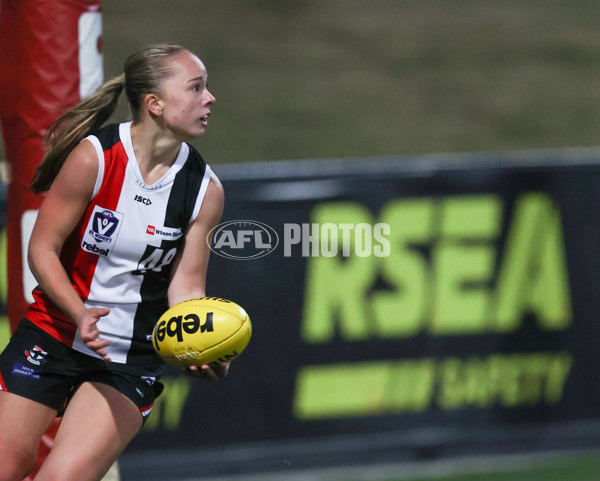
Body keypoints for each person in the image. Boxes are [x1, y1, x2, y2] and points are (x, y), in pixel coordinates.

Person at [0, 43, 227, 481]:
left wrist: (204, 343)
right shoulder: (94, 157)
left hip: (131, 355)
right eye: (196, 88)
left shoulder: (205, 190)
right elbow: (41, 249)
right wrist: (79, 312)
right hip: (55, 331)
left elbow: (187, 290)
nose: (210, 98)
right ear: (155, 104)